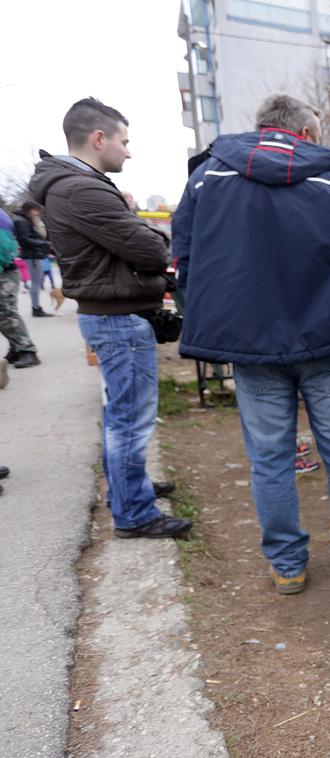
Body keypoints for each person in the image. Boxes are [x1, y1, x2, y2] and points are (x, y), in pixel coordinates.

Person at [172, 92, 330, 594]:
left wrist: (219, 326)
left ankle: (288, 566)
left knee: (270, 460)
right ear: (305, 133)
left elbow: (185, 262)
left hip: (251, 346)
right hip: (328, 339)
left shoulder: (208, 178)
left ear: (263, 126)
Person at [28, 97, 190, 537]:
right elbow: (151, 248)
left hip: (111, 315)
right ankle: (134, 513)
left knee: (122, 415)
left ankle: (128, 490)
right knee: (130, 420)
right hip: (118, 319)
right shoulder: (81, 189)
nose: (128, 152)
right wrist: (151, 239)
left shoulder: (73, 185)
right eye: (125, 141)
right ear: (99, 138)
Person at [0, 207, 40, 368]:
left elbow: (3, 247)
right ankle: (16, 347)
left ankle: (27, 350)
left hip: (4, 272)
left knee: (5, 312)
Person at [13, 202, 52, 317]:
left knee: (36, 282)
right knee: (36, 283)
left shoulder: (24, 220)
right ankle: (36, 308)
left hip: (34, 254)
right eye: (35, 210)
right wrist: (46, 244)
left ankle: (36, 307)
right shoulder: (21, 221)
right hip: (32, 255)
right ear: (29, 210)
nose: (37, 213)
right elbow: (25, 239)